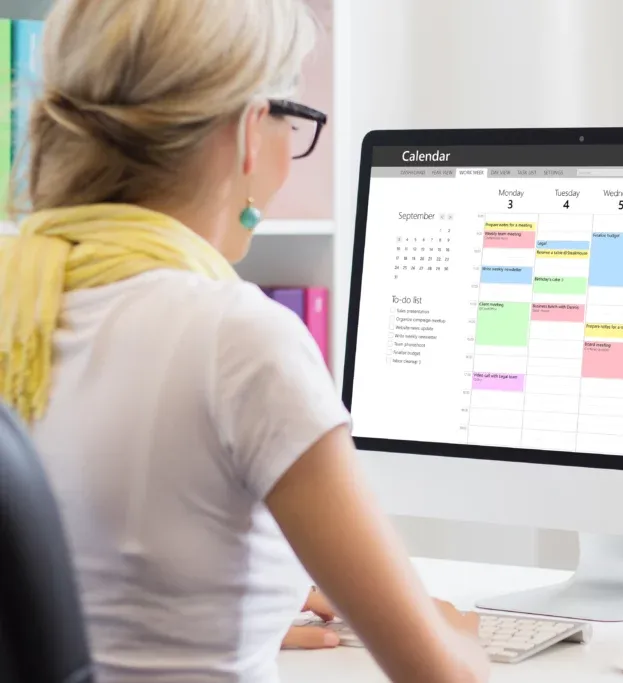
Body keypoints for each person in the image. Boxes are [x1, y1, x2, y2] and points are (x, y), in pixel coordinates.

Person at [0, 1, 489, 682]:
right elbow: (443, 675)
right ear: (252, 131)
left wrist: (240, 606)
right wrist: (460, 635)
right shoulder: (239, 339)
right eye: (295, 118)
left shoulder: (17, 299)